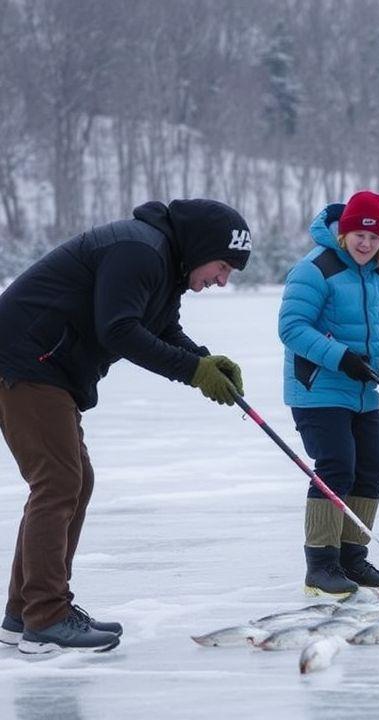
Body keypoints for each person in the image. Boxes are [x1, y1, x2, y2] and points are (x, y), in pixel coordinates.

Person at [0, 199, 252, 653]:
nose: (221, 280)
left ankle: (25, 613)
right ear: (201, 248)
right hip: (24, 362)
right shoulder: (138, 251)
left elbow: (162, 330)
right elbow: (119, 330)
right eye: (222, 266)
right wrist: (193, 372)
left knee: (75, 481)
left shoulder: (164, 263)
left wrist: (204, 360)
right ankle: (46, 617)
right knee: (58, 482)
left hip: (44, 368)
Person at [279, 190, 379, 597]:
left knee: (372, 466)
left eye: (374, 237)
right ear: (345, 231)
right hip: (318, 388)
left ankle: (353, 557)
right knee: (337, 465)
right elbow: (292, 328)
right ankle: (321, 565)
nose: (366, 243)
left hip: (362, 391)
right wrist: (342, 358)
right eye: (359, 233)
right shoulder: (315, 268)